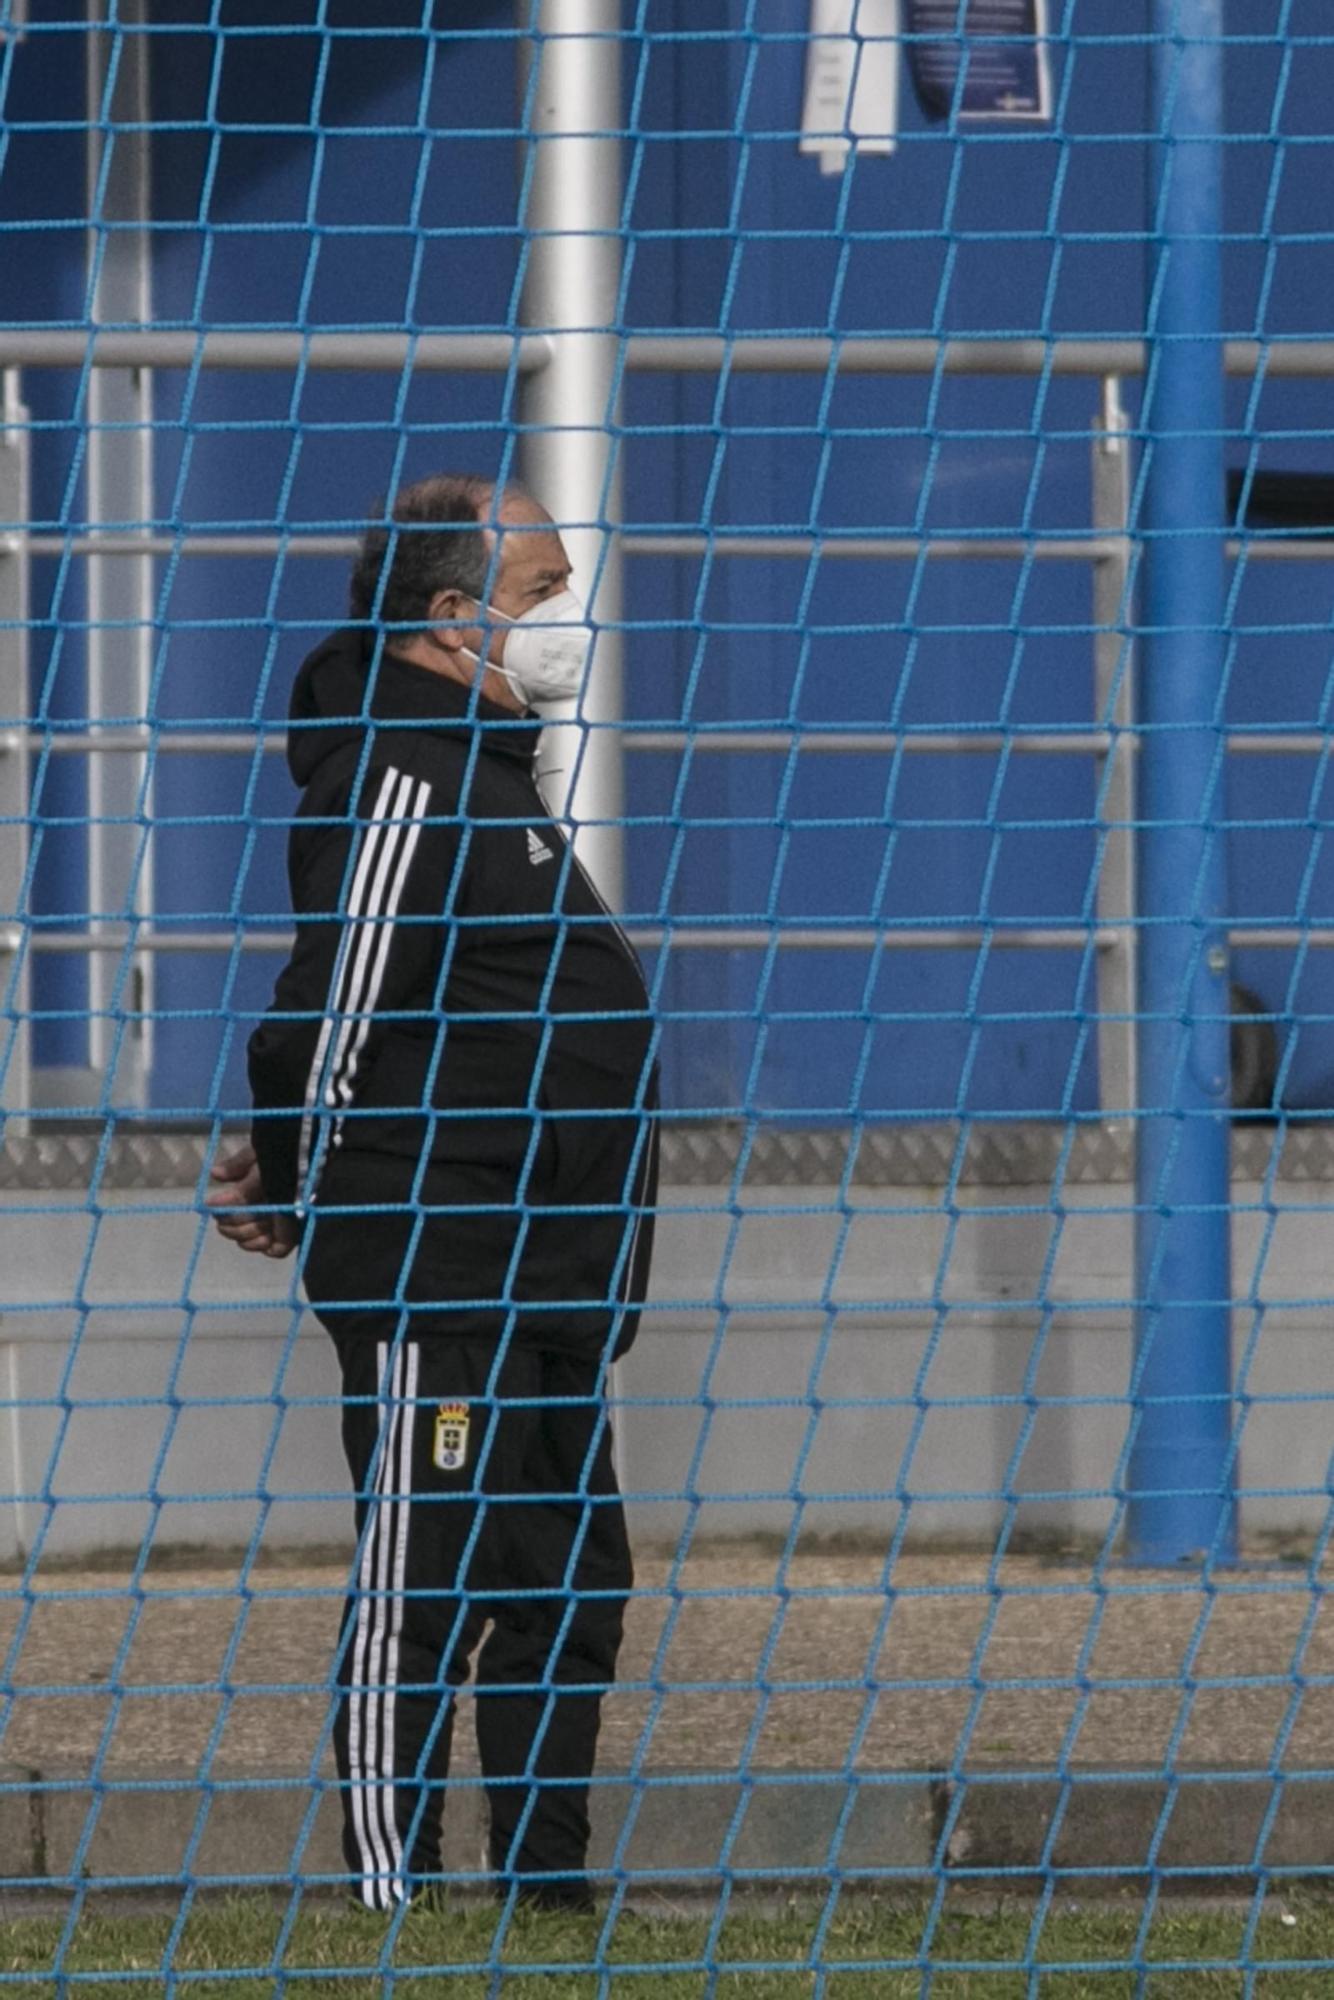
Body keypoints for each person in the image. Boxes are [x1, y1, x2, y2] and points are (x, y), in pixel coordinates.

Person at [207, 474, 658, 1915]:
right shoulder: (403, 770)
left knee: (569, 1582)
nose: (566, 624)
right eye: (541, 594)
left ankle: (547, 1893)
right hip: (441, 1264)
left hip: (554, 1273)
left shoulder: (485, 768)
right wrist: (291, 1169)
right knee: (427, 1578)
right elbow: (327, 1010)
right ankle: (388, 1897)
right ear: (452, 614)